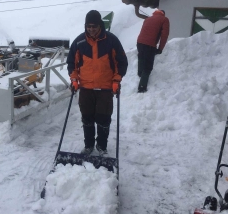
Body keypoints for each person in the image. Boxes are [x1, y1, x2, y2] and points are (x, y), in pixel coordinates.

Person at [67, 10, 128, 156]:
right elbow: (71, 63)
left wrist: (116, 80)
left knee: (103, 118)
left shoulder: (111, 40)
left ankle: (101, 146)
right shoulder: (79, 42)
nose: (91, 29)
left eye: (94, 26)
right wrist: (74, 80)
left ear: (100, 25)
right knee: (87, 117)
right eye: (88, 26)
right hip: (86, 87)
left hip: (105, 88)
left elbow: (121, 62)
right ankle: (88, 146)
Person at [137, 9, 170, 93]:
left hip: (140, 42)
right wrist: (160, 49)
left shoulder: (148, 19)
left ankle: (140, 74)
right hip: (150, 45)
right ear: (163, 14)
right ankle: (142, 87)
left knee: (141, 57)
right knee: (148, 66)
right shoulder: (164, 19)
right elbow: (164, 35)